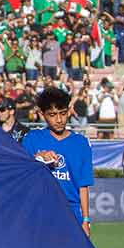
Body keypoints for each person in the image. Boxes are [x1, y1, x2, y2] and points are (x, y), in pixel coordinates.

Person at [22, 87, 94, 237]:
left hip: (72, 213)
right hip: (40, 212)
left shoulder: (81, 143)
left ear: (68, 111)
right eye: (53, 115)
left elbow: (83, 185)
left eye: (63, 113)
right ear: (42, 115)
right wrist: (37, 158)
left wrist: (86, 220)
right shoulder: (32, 139)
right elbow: (21, 174)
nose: (59, 119)